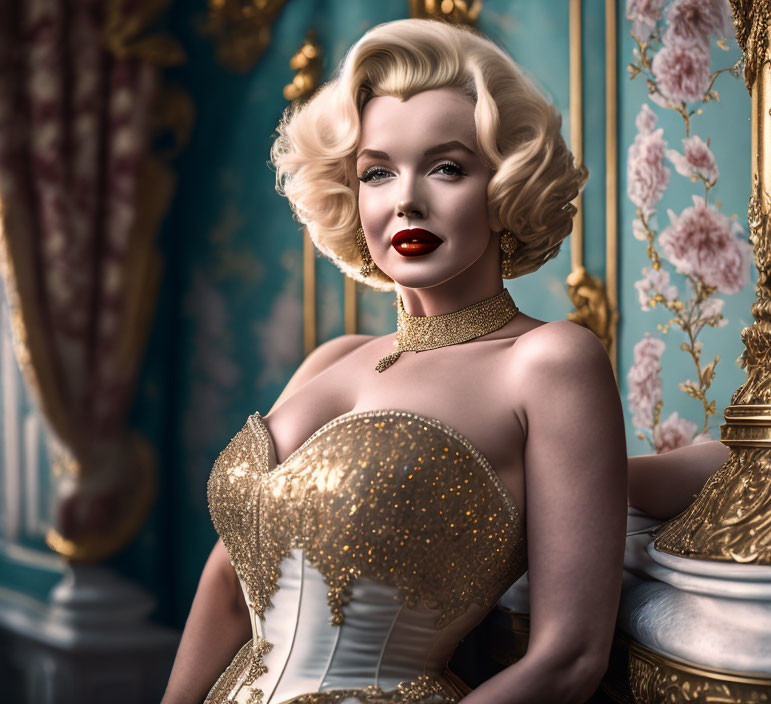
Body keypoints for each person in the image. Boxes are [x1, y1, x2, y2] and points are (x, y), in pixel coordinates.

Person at [162, 18, 729, 704]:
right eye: (377, 172)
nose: (406, 199)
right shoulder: (330, 359)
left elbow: (569, 658)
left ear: (503, 187)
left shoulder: (547, 361)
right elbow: (228, 585)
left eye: (446, 167)